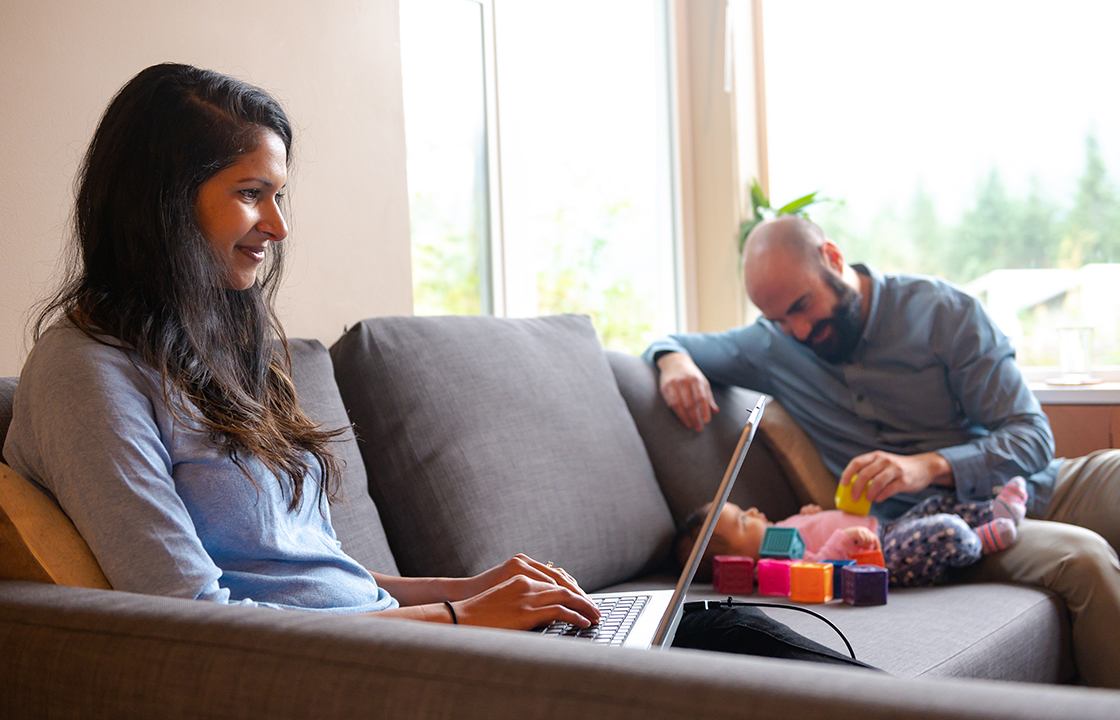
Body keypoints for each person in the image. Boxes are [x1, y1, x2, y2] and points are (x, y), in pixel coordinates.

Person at [1, 63, 600, 631]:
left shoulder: (216, 351)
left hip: (385, 647)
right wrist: (461, 621)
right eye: (250, 193)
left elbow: (314, 580)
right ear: (163, 203)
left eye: (278, 195)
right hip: (313, 674)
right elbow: (190, 616)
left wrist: (465, 590)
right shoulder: (82, 372)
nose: (278, 226)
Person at [643, 215, 1120, 687]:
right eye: (779, 320)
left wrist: (928, 466)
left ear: (833, 258)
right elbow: (670, 341)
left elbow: (1032, 435)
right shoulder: (772, 346)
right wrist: (673, 362)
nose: (800, 331)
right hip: (951, 525)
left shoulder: (941, 312)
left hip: (1044, 481)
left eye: (804, 305)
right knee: (1084, 559)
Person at [677, 476, 1028, 587]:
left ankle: (993, 510)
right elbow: (818, 569)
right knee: (944, 529)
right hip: (883, 558)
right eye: (742, 521)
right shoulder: (775, 561)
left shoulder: (778, 531)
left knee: (937, 503)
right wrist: (842, 539)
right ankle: (982, 540)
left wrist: (809, 515)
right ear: (734, 561)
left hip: (886, 529)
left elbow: (811, 531)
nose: (752, 511)